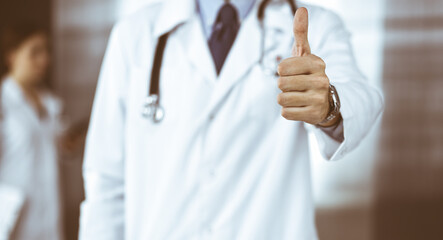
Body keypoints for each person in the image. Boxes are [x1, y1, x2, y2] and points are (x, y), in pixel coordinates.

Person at [79, 0, 384, 239]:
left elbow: (364, 98)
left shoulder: (316, 26)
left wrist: (328, 104)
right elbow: (106, 182)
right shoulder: (135, 35)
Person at [0, 24, 63, 239]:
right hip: (13, 217)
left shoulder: (51, 103)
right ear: (12, 56)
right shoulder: (4, 103)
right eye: (34, 52)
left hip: (49, 215)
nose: (43, 60)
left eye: (46, 51)